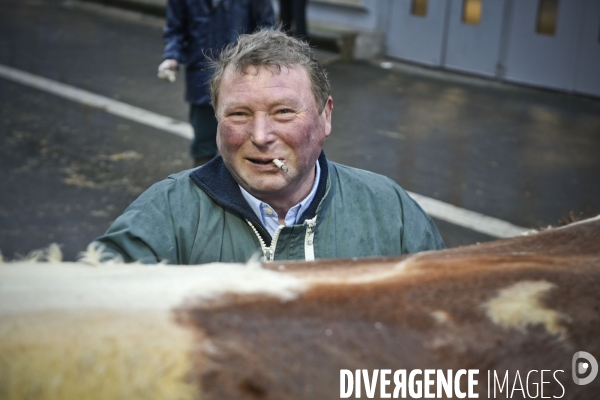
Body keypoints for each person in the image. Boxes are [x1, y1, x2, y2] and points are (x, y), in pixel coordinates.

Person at [96, 29, 445, 264]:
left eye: (282, 112)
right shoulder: (167, 213)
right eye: (239, 114)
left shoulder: (389, 210)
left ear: (325, 117)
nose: (260, 135)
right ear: (216, 118)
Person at [158, 0, 275, 167]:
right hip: (201, 77)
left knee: (246, 140)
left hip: (243, 80)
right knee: (203, 143)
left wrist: (260, 63)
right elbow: (175, 28)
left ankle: (246, 187)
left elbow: (267, 29)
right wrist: (172, 57)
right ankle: (202, 188)